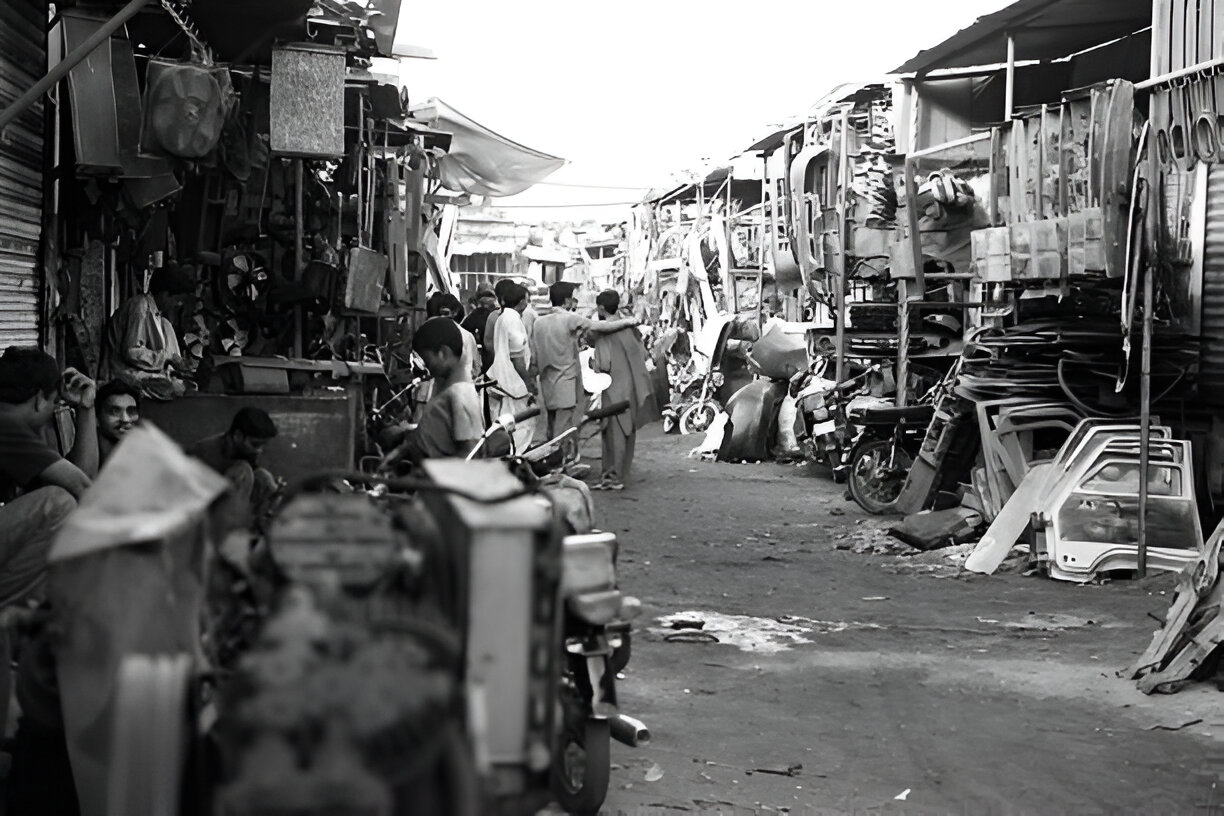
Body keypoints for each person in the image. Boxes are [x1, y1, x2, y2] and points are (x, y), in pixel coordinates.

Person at [0, 348, 97, 608]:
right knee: (58, 505)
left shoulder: (15, 429)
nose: (54, 409)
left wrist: (86, 408)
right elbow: (81, 485)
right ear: (40, 400)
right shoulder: (5, 426)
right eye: (55, 402)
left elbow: (80, 477)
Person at [530, 281, 639, 467]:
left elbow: (533, 358)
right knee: (563, 430)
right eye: (572, 298)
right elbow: (599, 327)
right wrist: (629, 321)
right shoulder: (568, 319)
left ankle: (554, 461)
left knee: (552, 425)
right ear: (566, 300)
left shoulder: (538, 323)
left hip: (546, 382)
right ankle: (558, 465)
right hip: (565, 381)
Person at [384, 317, 485, 464]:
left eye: (427, 359)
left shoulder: (462, 395)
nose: (426, 366)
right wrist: (403, 449)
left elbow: (470, 453)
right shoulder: (443, 386)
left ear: (443, 353)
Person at [591, 290, 657, 490]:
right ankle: (622, 474)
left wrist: (592, 363)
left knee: (613, 433)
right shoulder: (630, 329)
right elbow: (644, 354)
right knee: (627, 433)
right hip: (633, 386)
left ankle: (612, 477)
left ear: (601, 308)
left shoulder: (605, 332)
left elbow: (603, 364)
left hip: (614, 388)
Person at [186, 407, 279, 526]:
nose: (259, 450)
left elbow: (255, 474)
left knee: (263, 477)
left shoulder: (244, 450)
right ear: (238, 436)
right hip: (196, 510)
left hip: (222, 507)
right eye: (255, 444)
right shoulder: (207, 452)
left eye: (263, 445)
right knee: (243, 471)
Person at [487, 282, 537, 450]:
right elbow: (517, 358)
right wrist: (529, 383)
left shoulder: (502, 317)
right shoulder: (513, 319)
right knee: (521, 425)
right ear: (521, 301)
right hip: (512, 381)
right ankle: (516, 456)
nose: (528, 303)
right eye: (527, 299)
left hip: (501, 378)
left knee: (505, 421)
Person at [427, 291, 480, 382]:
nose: (442, 317)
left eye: (445, 313)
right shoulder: (467, 336)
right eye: (441, 314)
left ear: (455, 312)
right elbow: (476, 368)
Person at [95, 379, 142, 463]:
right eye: (115, 412)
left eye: (131, 411)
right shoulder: (83, 460)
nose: (125, 419)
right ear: (96, 418)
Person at [481, 278, 520, 374]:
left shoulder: (494, 316)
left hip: (502, 366)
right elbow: (488, 342)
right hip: (507, 366)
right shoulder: (496, 316)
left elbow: (488, 342)